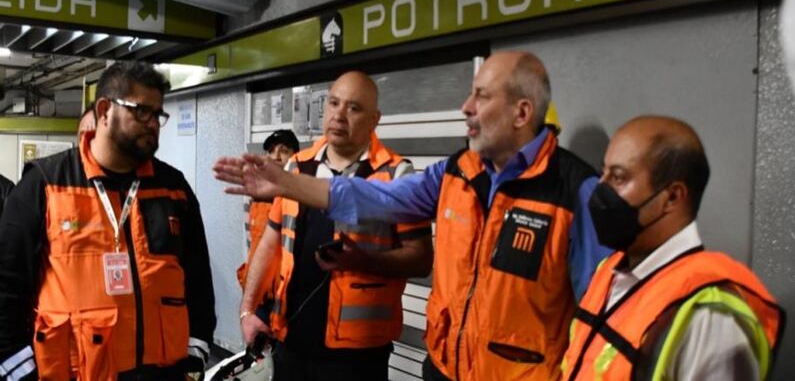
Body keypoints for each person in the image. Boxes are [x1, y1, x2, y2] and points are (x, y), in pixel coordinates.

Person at [214, 51, 611, 381]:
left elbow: (601, 319)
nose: (465, 107)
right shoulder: (457, 171)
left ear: (521, 113)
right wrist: (285, 184)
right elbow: (376, 198)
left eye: (481, 96)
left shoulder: (576, 191)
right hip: (441, 370)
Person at [0, 62, 216, 381]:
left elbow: (197, 276)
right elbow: (6, 288)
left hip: (162, 373)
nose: (153, 124)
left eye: (158, 114)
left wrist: (196, 350)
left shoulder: (173, 188)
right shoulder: (44, 185)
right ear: (104, 110)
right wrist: (20, 371)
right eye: (142, 111)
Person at [237, 71, 433, 381]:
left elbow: (421, 259)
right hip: (290, 342)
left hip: (357, 358)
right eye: (334, 103)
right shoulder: (297, 166)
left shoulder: (396, 175)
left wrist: (365, 262)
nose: (339, 115)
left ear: (375, 119)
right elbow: (270, 241)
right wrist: (247, 310)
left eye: (354, 108)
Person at [560, 116, 784, 381]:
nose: (600, 187)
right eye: (604, 172)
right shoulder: (610, 272)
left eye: (618, 178)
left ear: (673, 197)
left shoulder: (709, 316)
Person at [236, 130, 299, 292]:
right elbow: (250, 240)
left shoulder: (302, 194)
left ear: (296, 156)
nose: (276, 156)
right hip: (258, 285)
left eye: (284, 151)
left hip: (286, 286)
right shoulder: (254, 193)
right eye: (271, 150)